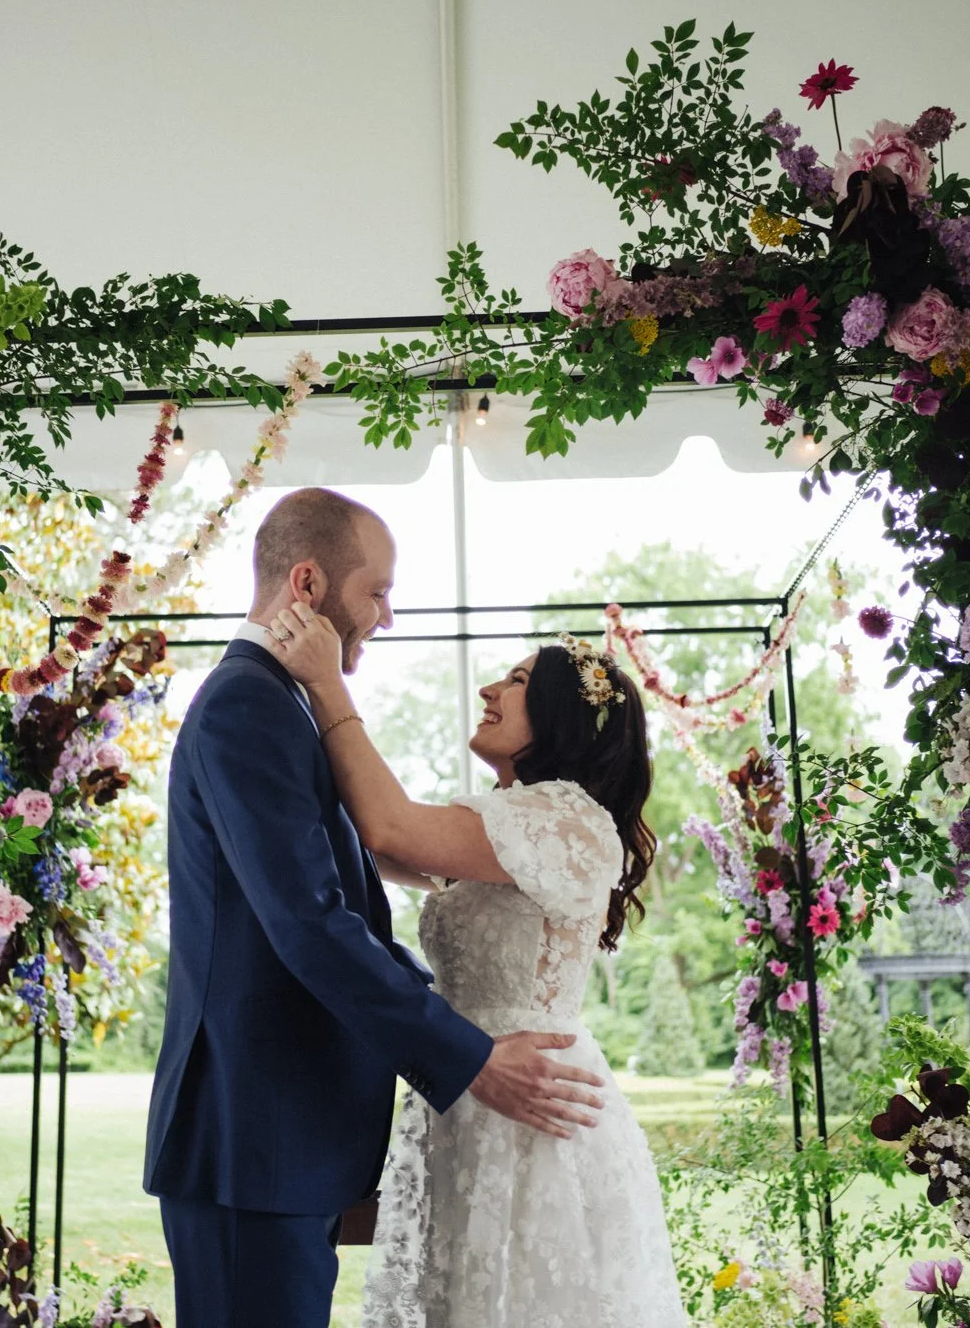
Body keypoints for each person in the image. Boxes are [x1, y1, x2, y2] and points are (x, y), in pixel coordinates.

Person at [144, 488, 607, 1328]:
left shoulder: (281, 704)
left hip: (283, 1141)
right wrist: (468, 1056)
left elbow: (347, 902)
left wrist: (456, 1034)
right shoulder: (251, 703)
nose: (388, 617)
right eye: (378, 592)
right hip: (255, 1140)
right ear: (310, 584)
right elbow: (312, 925)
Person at [266, 596, 687, 1326]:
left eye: (517, 681)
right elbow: (384, 846)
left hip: (532, 1113)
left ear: (559, 716)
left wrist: (329, 684)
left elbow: (388, 823)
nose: (491, 690)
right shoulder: (502, 821)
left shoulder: (566, 820)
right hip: (470, 1093)